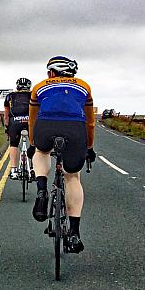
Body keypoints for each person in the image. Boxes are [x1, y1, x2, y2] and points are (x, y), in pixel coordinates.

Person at [27, 56, 96, 253]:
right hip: (75, 129)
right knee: (72, 176)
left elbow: (32, 121)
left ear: (51, 73)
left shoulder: (40, 87)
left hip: (45, 126)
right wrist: (88, 148)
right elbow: (90, 122)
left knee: (41, 151)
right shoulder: (84, 86)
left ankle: (41, 192)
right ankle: (74, 233)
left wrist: (34, 143)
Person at [4, 78, 32, 179]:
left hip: (15, 122)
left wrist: (7, 127)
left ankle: (13, 170)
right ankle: (34, 169)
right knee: (35, 144)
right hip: (30, 122)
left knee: (14, 144)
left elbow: (7, 114)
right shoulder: (33, 95)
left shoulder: (10, 96)